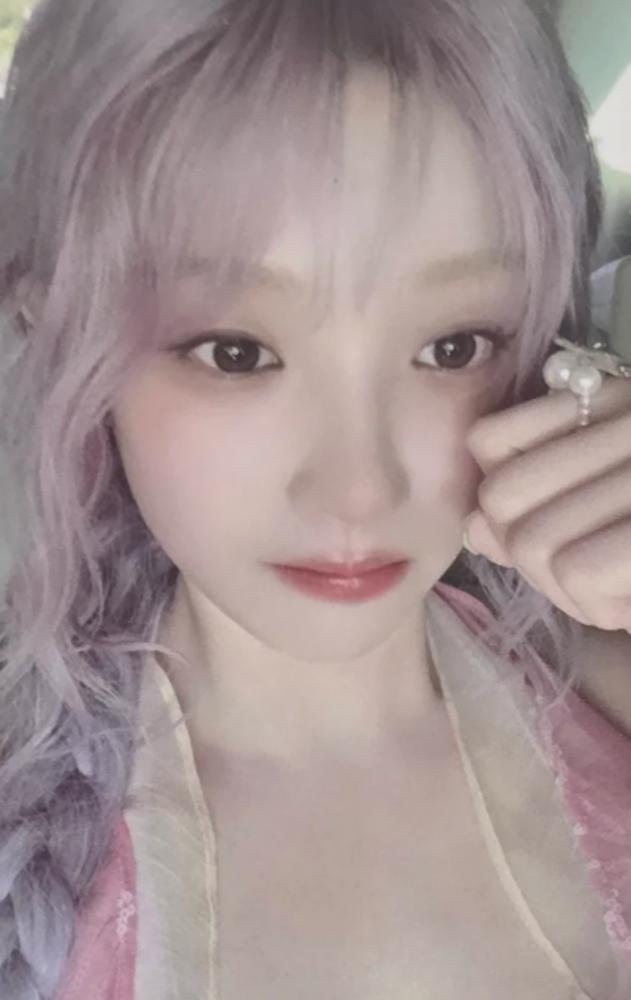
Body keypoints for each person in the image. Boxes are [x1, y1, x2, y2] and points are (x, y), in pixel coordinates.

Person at [0, 1, 630, 998]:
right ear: (58, 335)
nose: (358, 490)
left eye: (452, 346)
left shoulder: (604, 677)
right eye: (236, 352)